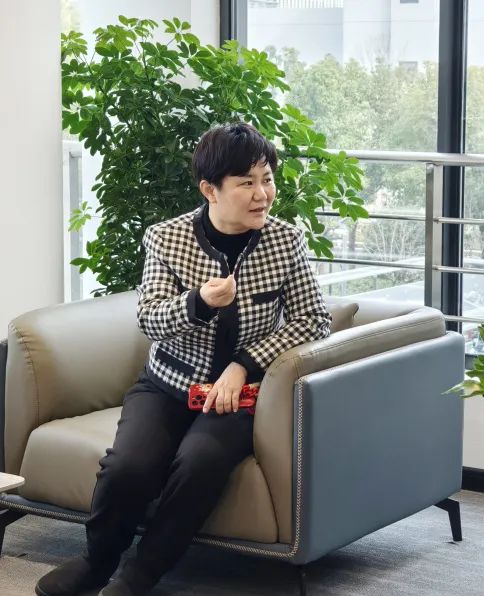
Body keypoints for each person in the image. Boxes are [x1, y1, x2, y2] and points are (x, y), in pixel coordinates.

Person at [36, 123, 332, 596]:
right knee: (128, 467)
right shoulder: (166, 238)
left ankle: (139, 575)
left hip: (239, 397)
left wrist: (244, 365)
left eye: (267, 179)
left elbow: (313, 319)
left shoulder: (285, 242)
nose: (263, 194)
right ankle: (97, 562)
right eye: (247, 183)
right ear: (210, 189)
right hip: (168, 384)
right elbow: (150, 319)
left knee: (198, 464)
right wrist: (198, 302)